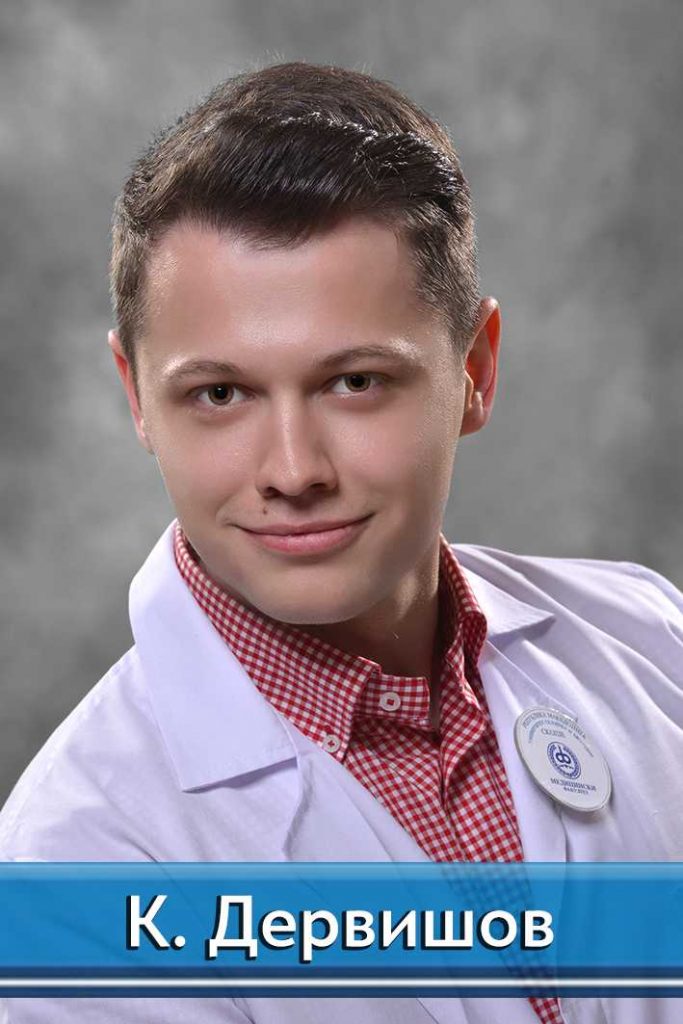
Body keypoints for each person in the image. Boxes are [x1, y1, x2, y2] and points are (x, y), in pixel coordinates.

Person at [1, 61, 681, 1024]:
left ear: (476, 369)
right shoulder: (79, 868)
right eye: (220, 394)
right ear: (137, 398)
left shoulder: (651, 640)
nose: (292, 470)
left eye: (354, 382)